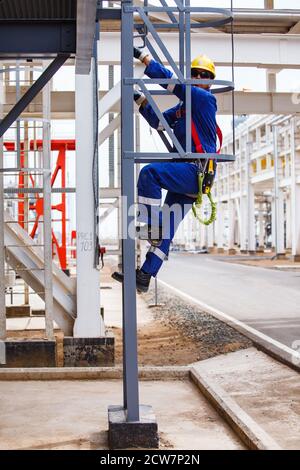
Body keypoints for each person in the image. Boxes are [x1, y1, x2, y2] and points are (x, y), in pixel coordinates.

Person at [112, 48, 218, 292]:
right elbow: (159, 121)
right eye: (196, 74)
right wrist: (139, 99)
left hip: (194, 172)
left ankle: (151, 224)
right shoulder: (184, 109)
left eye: (204, 76)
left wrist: (144, 58)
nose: (200, 78)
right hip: (190, 177)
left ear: (210, 82)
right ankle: (145, 276)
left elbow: (172, 84)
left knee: (149, 174)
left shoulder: (203, 99)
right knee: (167, 230)